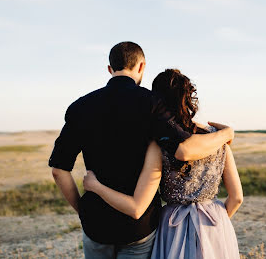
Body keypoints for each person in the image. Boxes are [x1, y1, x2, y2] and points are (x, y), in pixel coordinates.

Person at [49, 42, 234, 258]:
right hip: (139, 227)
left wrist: (85, 211)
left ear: (110, 69)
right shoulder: (152, 103)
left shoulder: (79, 107)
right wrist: (225, 134)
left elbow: (58, 170)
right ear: (141, 66)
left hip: (95, 225)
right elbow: (183, 149)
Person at [83, 69, 243, 258]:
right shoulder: (217, 138)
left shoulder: (159, 144)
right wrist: (216, 224)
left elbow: (138, 203)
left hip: (172, 228)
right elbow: (237, 198)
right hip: (214, 223)